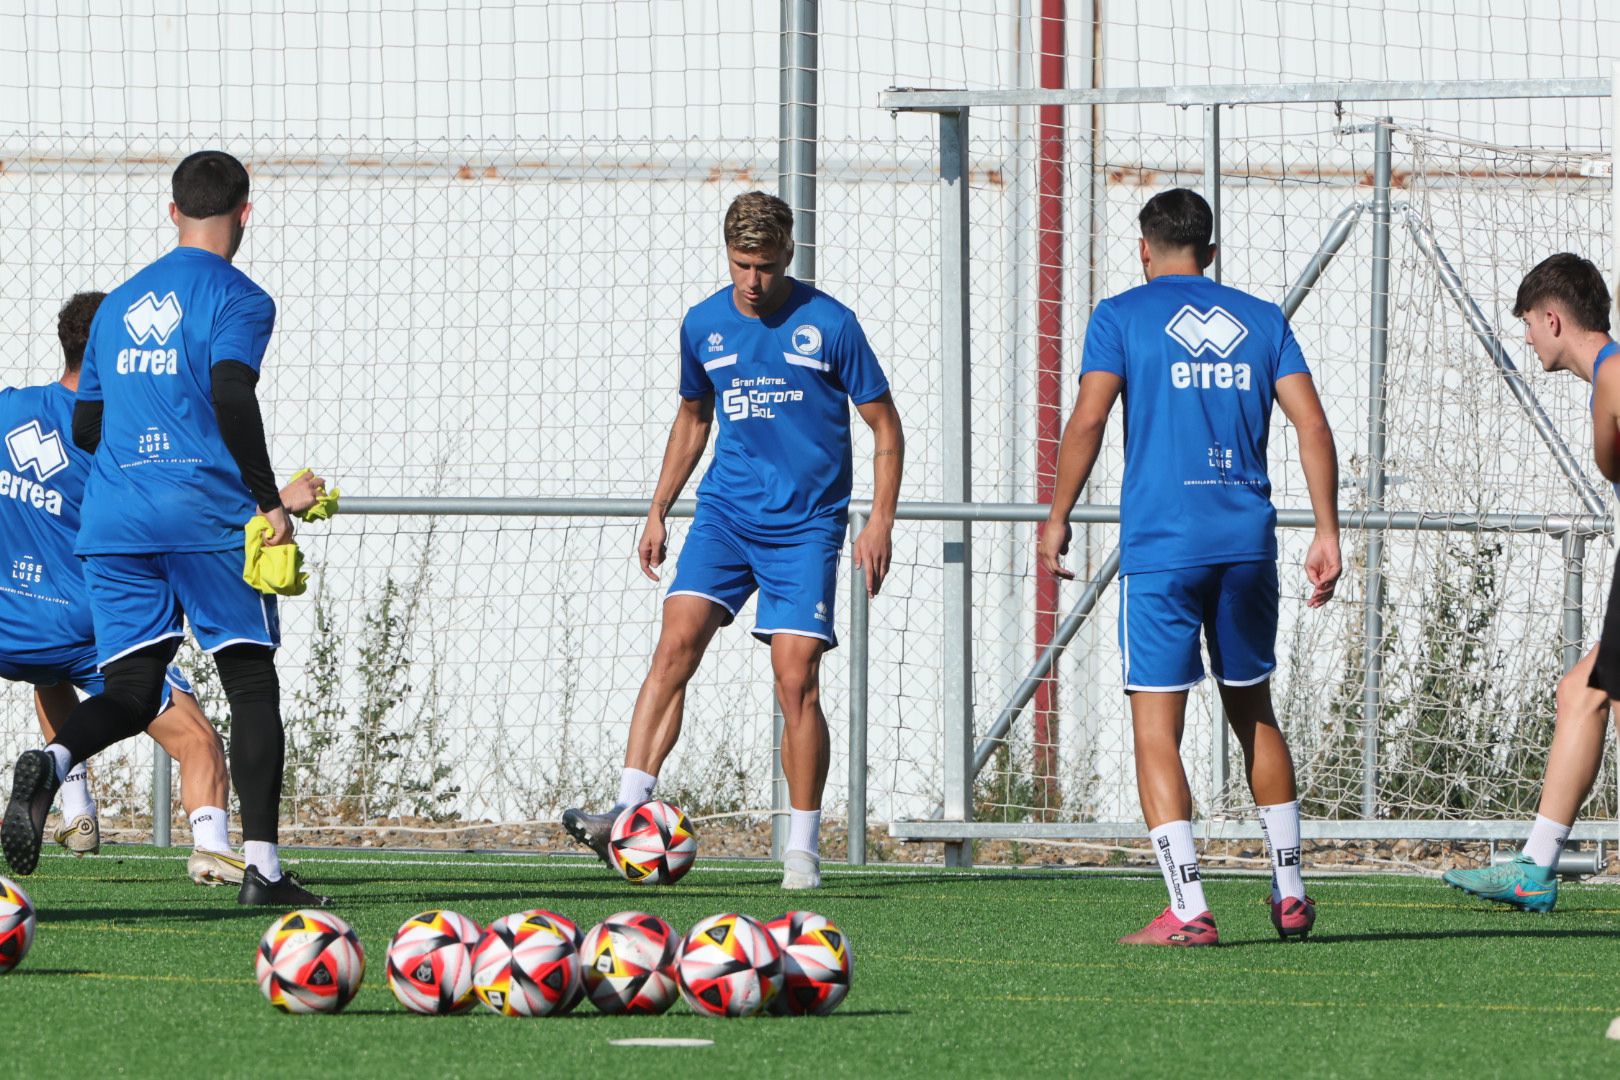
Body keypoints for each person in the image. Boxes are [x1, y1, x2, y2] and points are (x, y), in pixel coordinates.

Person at [0, 150, 326, 907]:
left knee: (131, 687)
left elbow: (87, 426)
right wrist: (268, 502)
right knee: (250, 680)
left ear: (171, 211)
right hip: (206, 517)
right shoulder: (242, 298)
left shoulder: (116, 306)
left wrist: (135, 467)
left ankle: (52, 764)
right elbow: (231, 392)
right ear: (245, 213)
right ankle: (264, 872)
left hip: (116, 524)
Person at [561, 191, 903, 890]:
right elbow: (693, 418)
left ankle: (802, 849)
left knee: (796, 680)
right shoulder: (704, 324)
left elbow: (886, 428)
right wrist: (659, 508)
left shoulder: (830, 324)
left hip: (806, 527)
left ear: (790, 255)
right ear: (728, 256)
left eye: (768, 266)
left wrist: (879, 520)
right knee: (675, 642)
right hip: (724, 515)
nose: (754, 280)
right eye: (743, 264)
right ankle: (626, 814)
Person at [1038, 188, 1342, 946]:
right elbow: (1312, 424)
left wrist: (1057, 515)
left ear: (1145, 250)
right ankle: (1292, 890)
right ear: (1209, 251)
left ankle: (1187, 908)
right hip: (1246, 546)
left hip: (1165, 551)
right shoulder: (1262, 319)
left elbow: (1088, 418)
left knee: (1155, 730)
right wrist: (1328, 530)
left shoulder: (1120, 317)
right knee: (1254, 709)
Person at [1443, 253, 1617, 912]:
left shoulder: (1615, 375)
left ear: (1553, 318)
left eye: (1528, 324)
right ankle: (1535, 868)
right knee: (1581, 691)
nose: (1525, 339)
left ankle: (1535, 868)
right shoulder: (1608, 378)